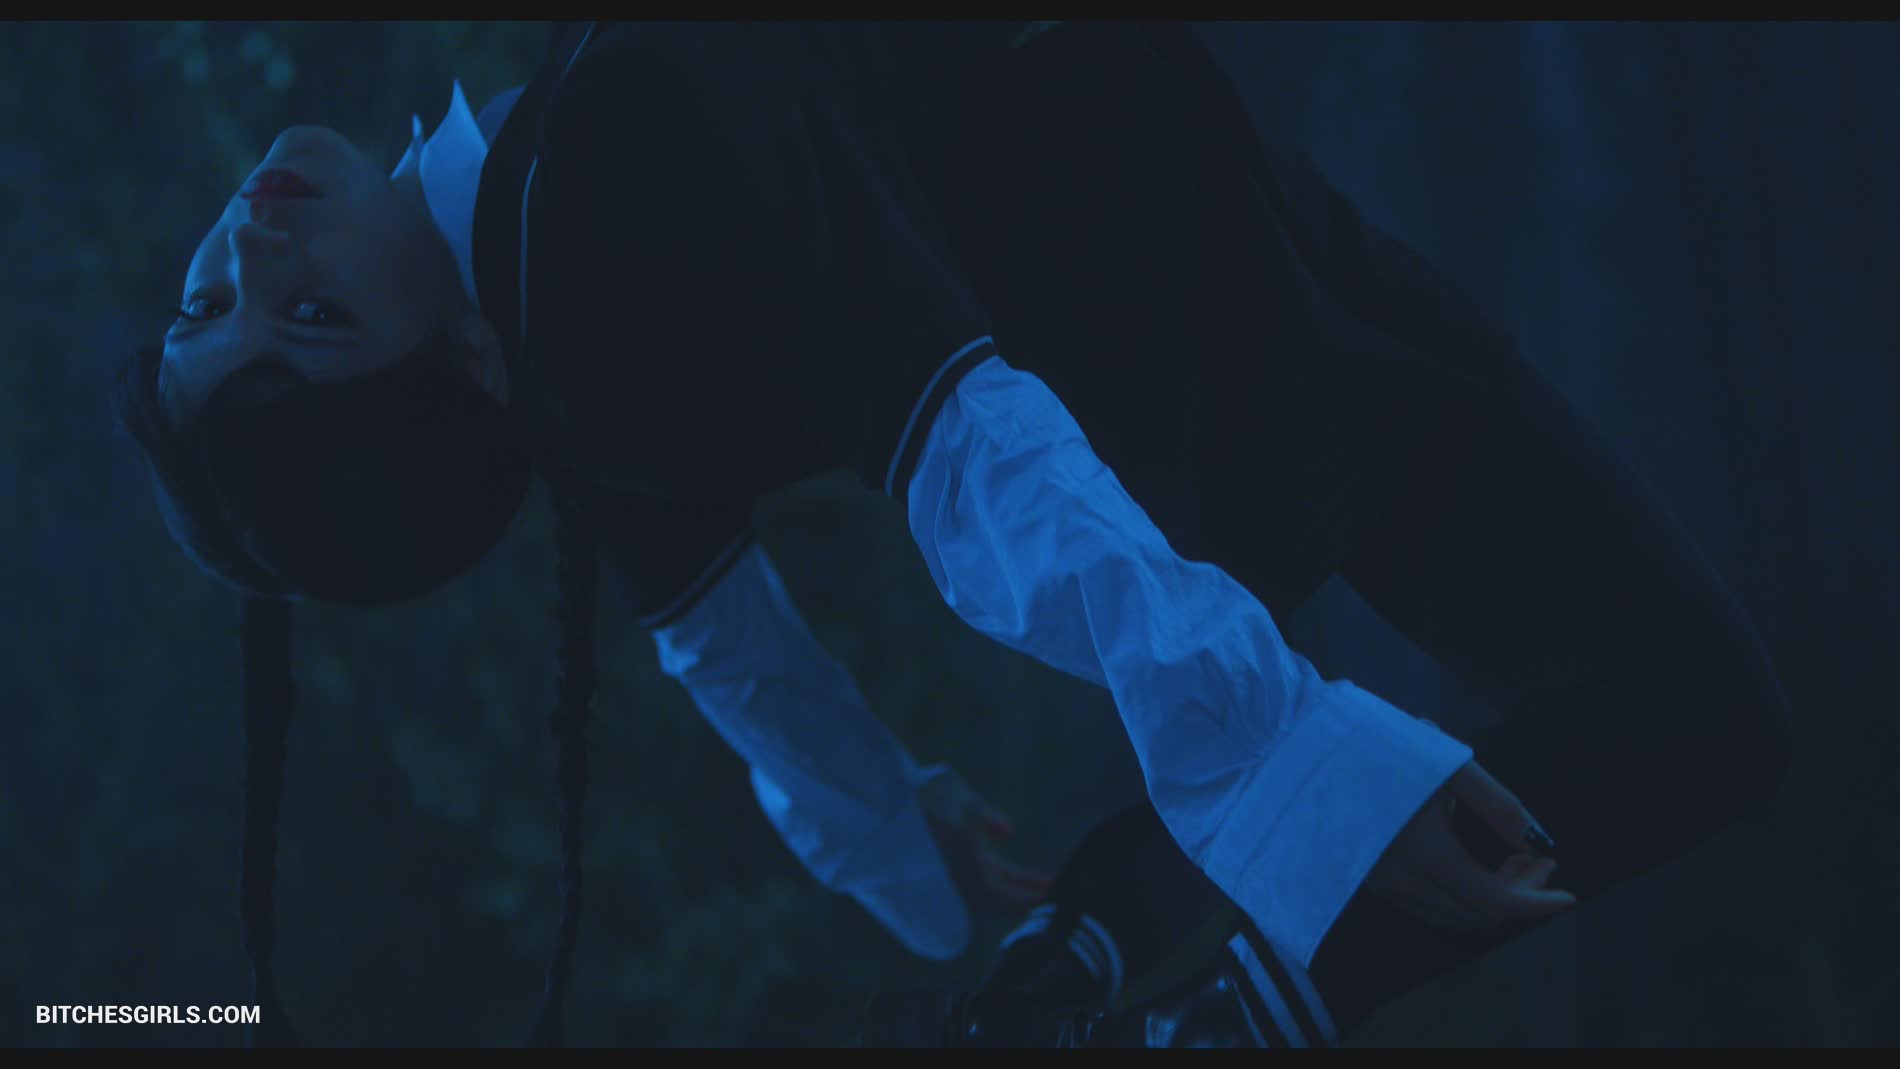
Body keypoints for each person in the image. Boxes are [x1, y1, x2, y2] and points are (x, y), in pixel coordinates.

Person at [113, 20, 1794, 1048]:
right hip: (1243, 326)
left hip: (1222, 294)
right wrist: (1290, 772)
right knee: (1695, 706)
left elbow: (726, 646)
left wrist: (897, 831)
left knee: (1679, 703)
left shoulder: (559, 307)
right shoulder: (612, 168)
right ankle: (1222, 997)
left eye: (209, 303)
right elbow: (971, 448)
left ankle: (1104, 930)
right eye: (309, 321)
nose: (253, 250)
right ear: (456, 369)